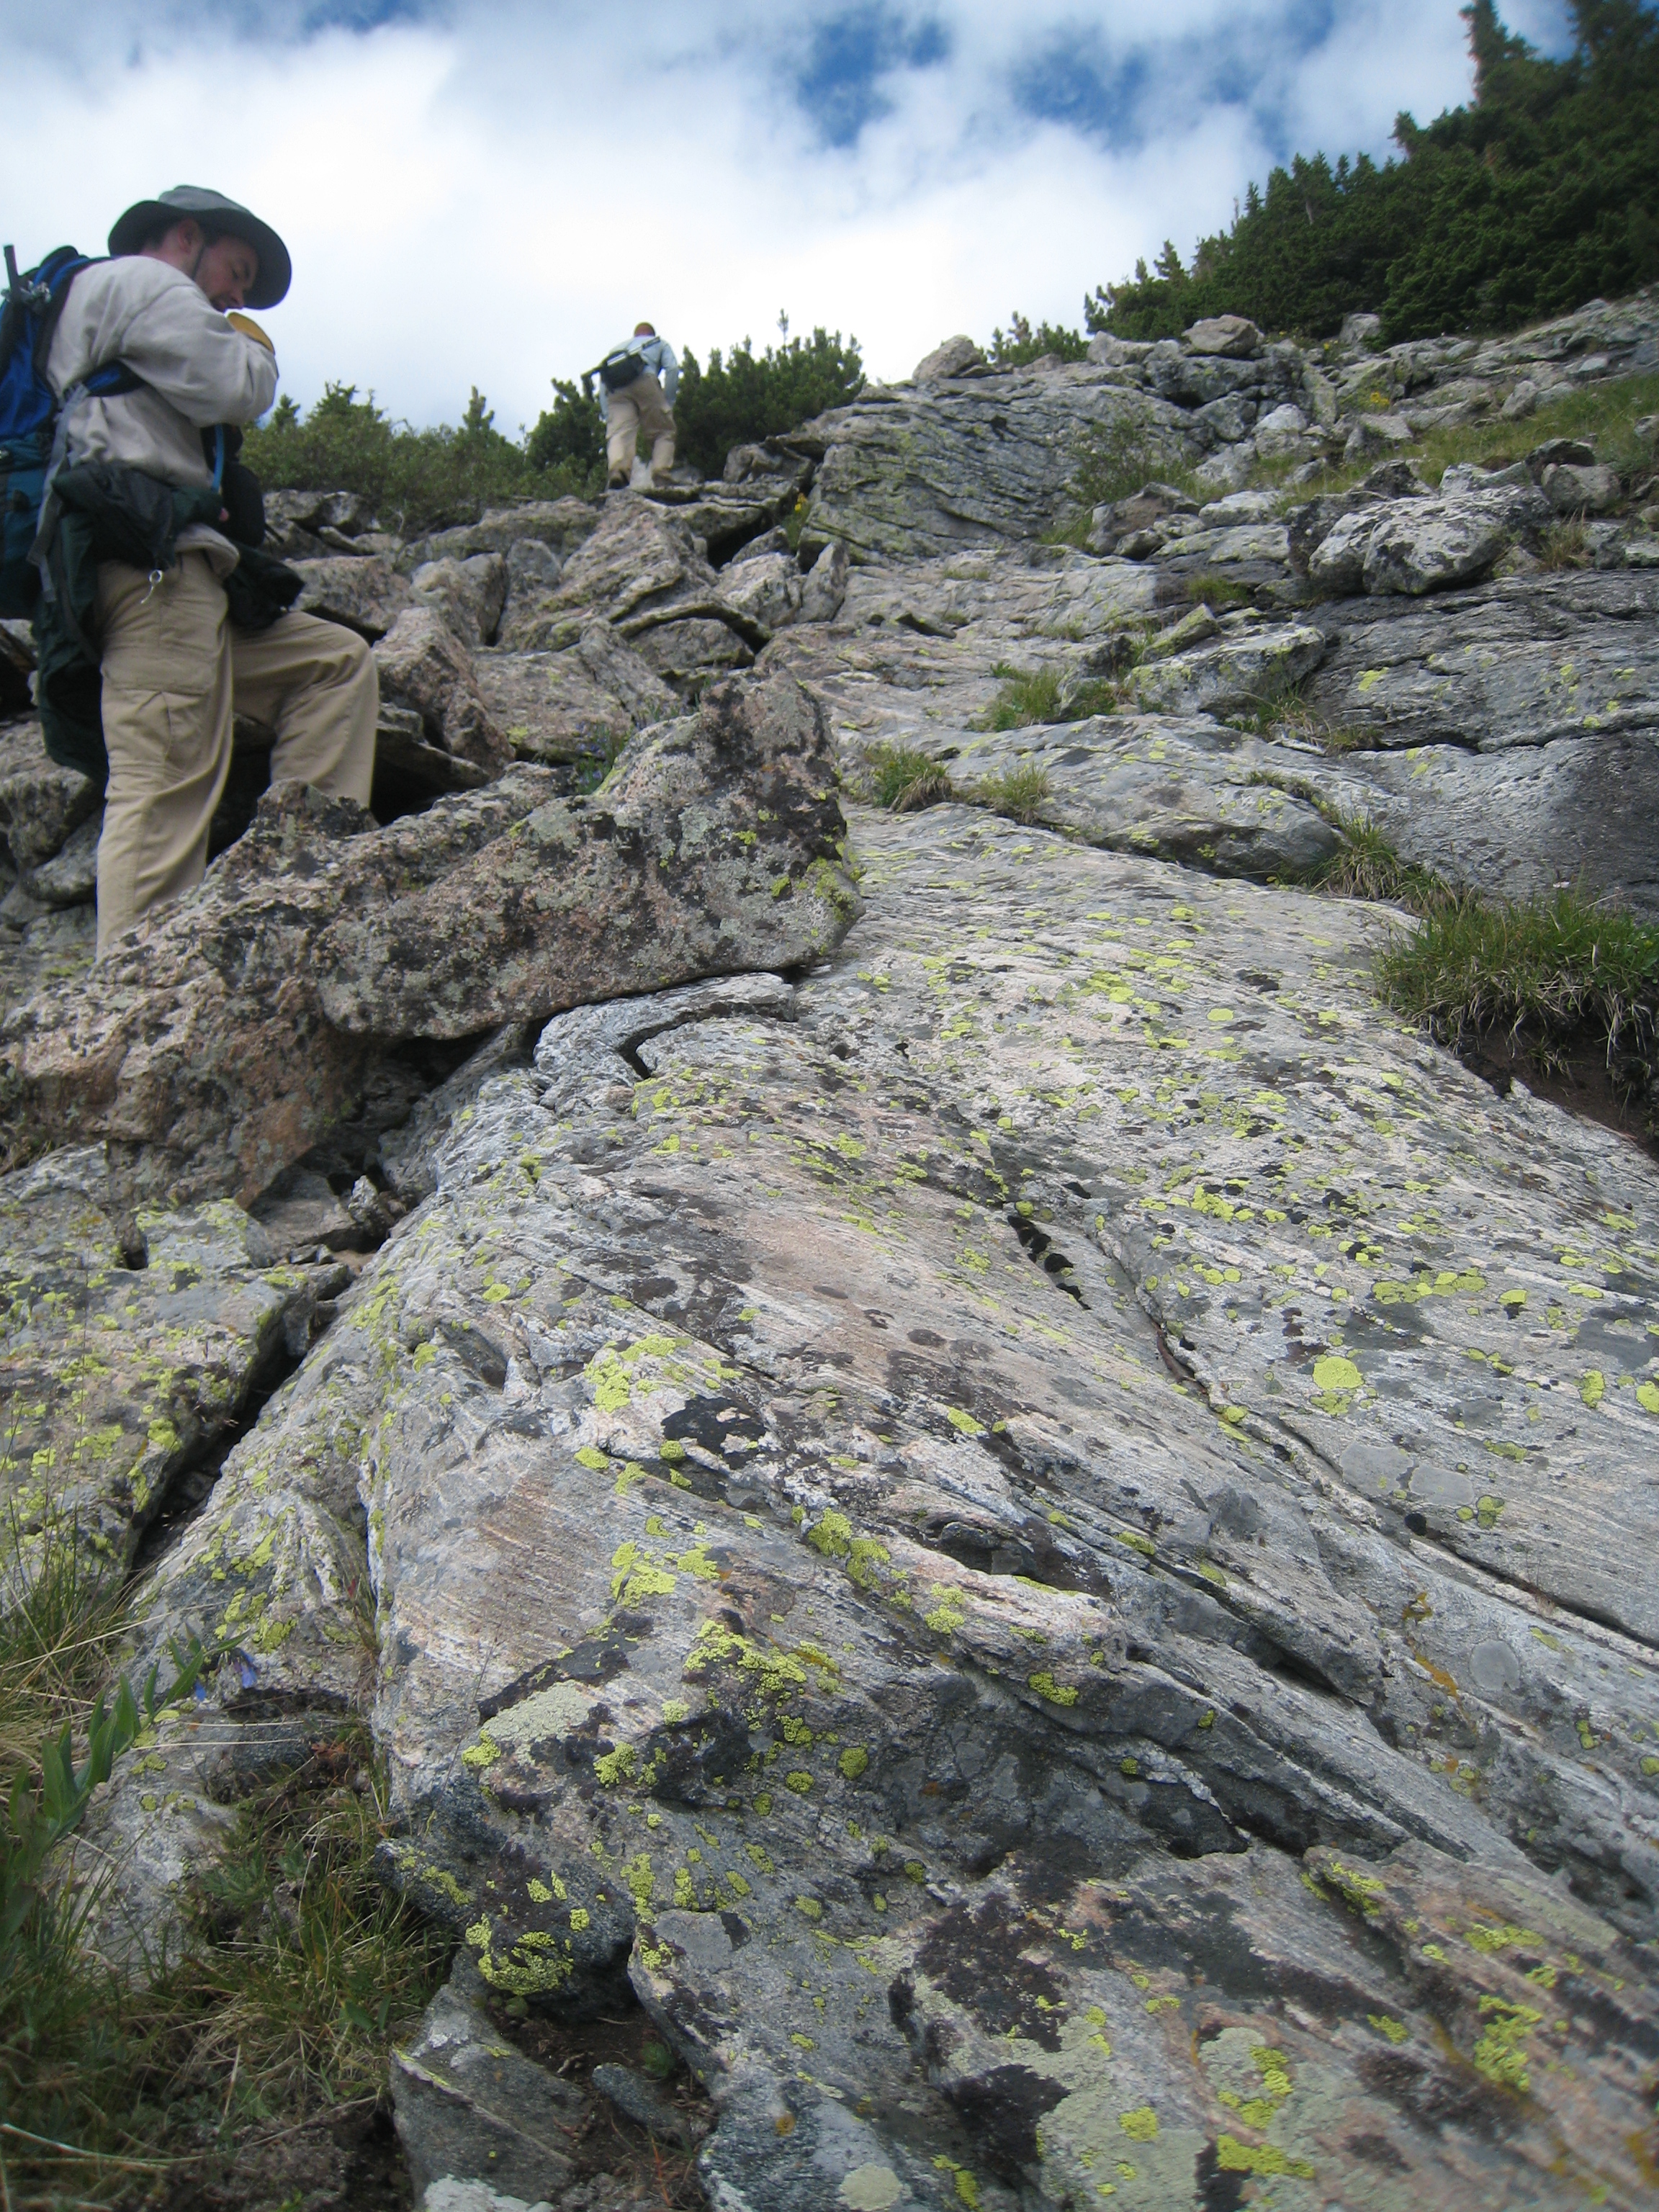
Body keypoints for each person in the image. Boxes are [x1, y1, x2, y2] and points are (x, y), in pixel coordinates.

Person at [45, 184, 378, 957]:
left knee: (334, 663)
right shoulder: (141, 280)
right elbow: (240, 387)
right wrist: (254, 344)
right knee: (163, 786)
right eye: (236, 269)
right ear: (188, 236)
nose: (236, 293)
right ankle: (130, 1036)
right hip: (156, 574)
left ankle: (293, 899)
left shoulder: (112, 309)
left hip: (180, 583)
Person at [597, 323, 679, 491]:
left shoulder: (617, 349)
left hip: (616, 390)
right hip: (645, 380)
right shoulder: (658, 343)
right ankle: (660, 473)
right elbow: (672, 368)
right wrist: (669, 401)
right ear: (651, 333)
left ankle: (617, 472)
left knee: (619, 433)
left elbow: (603, 383)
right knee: (663, 431)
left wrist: (607, 415)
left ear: (635, 335)